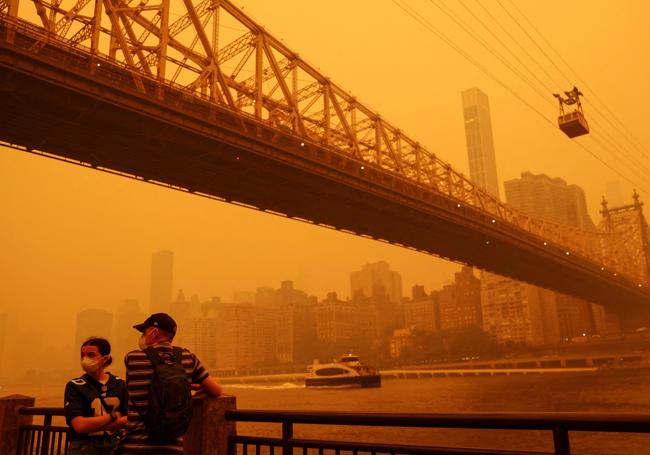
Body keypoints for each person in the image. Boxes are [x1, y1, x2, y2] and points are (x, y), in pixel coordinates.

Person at [120, 313, 223, 454]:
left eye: (144, 332)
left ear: (154, 332)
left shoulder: (133, 358)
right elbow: (216, 391)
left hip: (135, 446)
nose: (142, 337)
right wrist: (191, 386)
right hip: (172, 448)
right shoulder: (188, 358)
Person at [64, 337, 128, 454]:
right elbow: (80, 426)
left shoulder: (120, 384)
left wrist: (93, 425)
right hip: (84, 448)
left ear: (105, 358)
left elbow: (129, 420)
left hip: (114, 446)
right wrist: (112, 417)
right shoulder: (74, 386)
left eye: (91, 355)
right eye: (82, 355)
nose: (85, 359)